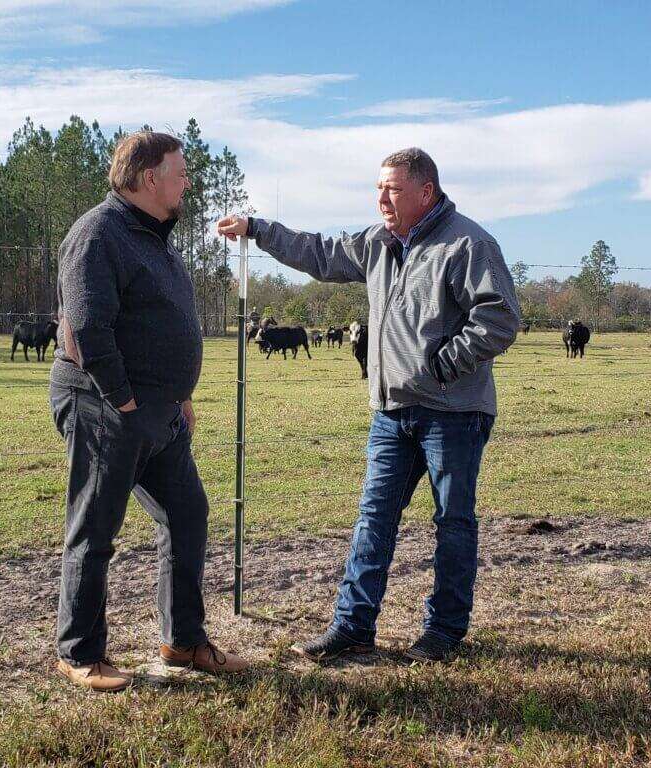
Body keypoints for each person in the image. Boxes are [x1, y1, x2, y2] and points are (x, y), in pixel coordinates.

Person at [218, 148, 520, 663]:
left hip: (453, 415)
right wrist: (258, 229)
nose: (381, 197)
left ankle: (443, 633)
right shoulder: (376, 244)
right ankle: (353, 626)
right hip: (391, 414)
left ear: (425, 192)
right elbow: (317, 251)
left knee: (452, 522)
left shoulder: (467, 244)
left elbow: (499, 318)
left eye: (393, 189)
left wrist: (443, 366)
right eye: (379, 187)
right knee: (373, 518)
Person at [50, 131, 247, 693]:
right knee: (96, 526)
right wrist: (127, 401)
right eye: (179, 171)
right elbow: (87, 327)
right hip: (106, 406)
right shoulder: (98, 234)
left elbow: (161, 324)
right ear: (145, 178)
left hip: (160, 415)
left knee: (186, 514)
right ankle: (79, 652)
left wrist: (179, 393)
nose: (187, 181)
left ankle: (183, 641)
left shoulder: (154, 240)